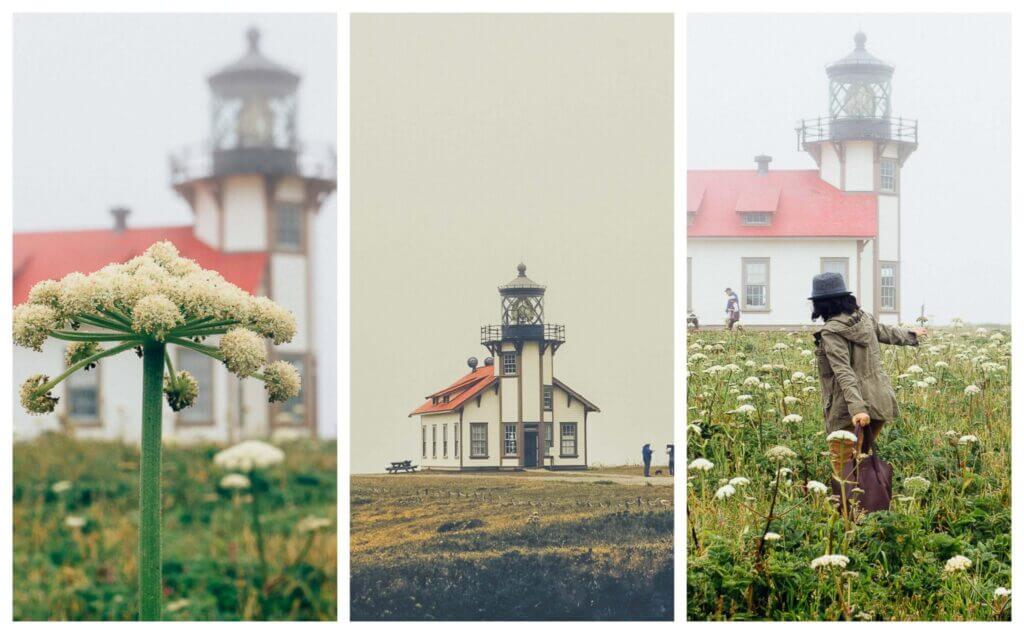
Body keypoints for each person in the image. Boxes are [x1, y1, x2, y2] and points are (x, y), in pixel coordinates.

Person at [810, 271, 925, 459]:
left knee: (845, 467)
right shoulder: (864, 318)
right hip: (878, 398)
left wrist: (857, 408)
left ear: (821, 304)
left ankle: (847, 490)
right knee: (862, 461)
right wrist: (911, 334)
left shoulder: (831, 332)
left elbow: (844, 372)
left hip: (849, 408)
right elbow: (885, 332)